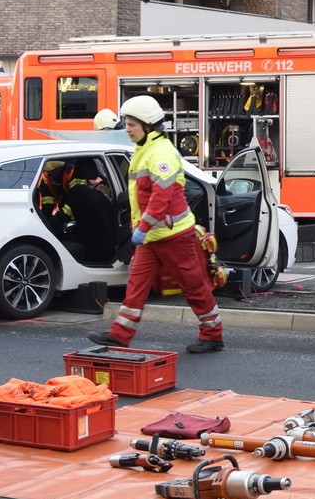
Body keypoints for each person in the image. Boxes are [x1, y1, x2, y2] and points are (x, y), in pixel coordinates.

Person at [87, 95, 224, 353]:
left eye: (131, 125)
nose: (126, 129)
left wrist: (142, 228)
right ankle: (120, 334)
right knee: (136, 285)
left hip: (173, 235)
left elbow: (162, 197)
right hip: (153, 236)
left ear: (148, 125)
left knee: (193, 286)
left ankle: (213, 334)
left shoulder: (160, 152)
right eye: (126, 123)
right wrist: (142, 230)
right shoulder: (145, 149)